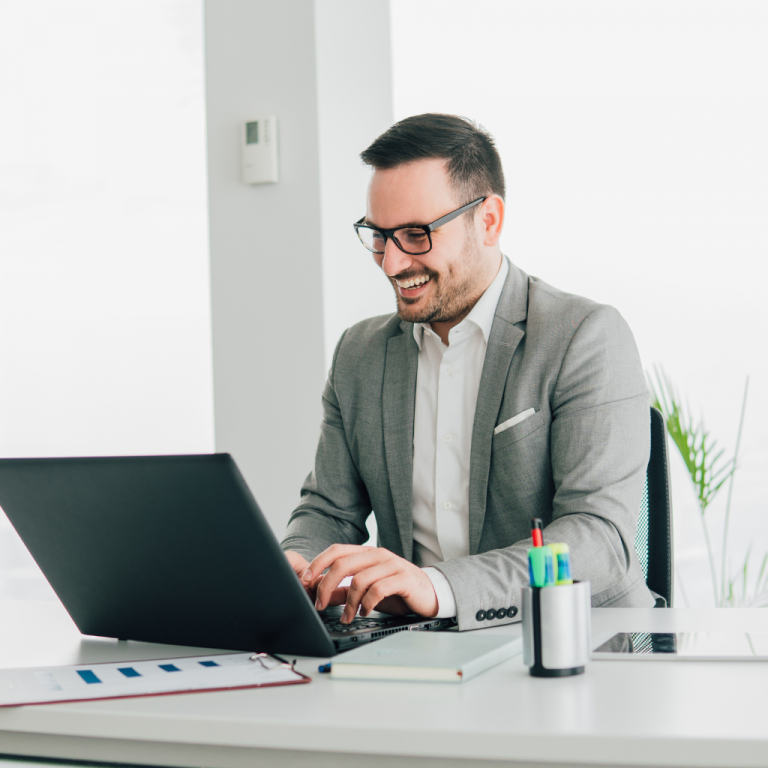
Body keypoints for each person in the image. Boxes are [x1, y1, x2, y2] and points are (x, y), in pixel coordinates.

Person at [281, 113, 656, 630]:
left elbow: (598, 539)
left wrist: (435, 587)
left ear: (489, 221)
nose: (391, 264)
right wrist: (296, 561)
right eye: (379, 235)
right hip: (418, 649)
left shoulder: (584, 336)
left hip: (569, 645)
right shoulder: (360, 354)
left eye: (416, 234)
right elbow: (328, 509)